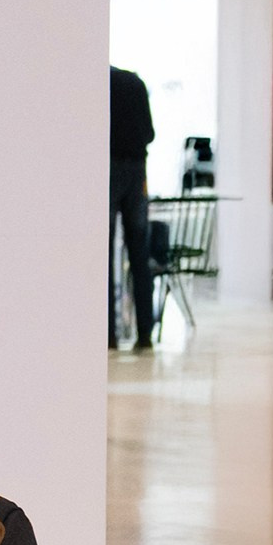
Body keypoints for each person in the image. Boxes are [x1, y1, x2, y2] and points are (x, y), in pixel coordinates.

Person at [110, 65, 155, 350]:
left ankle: (108, 335)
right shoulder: (134, 82)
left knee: (103, 255)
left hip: (109, 169)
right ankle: (145, 334)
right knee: (140, 254)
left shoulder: (99, 82)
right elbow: (149, 133)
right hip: (138, 170)